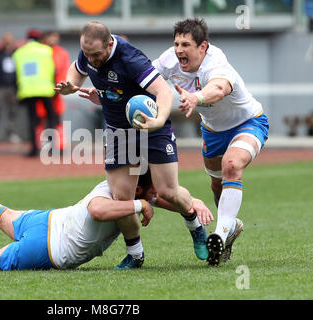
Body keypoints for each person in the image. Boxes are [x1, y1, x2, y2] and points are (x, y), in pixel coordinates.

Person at [54, 22, 197, 263]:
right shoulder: (89, 51)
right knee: (122, 198)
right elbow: (77, 68)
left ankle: (195, 226)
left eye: (96, 54)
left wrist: (159, 120)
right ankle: (135, 254)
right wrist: (71, 83)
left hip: (151, 126)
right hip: (119, 131)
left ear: (110, 44)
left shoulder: (131, 59)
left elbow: (163, 92)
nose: (91, 59)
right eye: (87, 53)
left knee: (167, 191)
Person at [0, 173, 213, 271]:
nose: (157, 194)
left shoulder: (122, 184)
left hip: (49, 219)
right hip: (49, 247)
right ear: (141, 189)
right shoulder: (122, 199)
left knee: (4, 216)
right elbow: (97, 211)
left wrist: (190, 203)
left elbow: (161, 198)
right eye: (151, 192)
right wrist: (143, 203)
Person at [152, 18, 269, 266]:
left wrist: (197, 97)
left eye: (186, 44)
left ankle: (220, 233)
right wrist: (106, 95)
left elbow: (219, 88)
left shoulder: (217, 63)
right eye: (176, 43)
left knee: (231, 165)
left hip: (248, 122)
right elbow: (145, 80)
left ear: (203, 46)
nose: (179, 50)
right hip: (213, 131)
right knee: (217, 185)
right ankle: (230, 228)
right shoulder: (168, 60)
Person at [12, 29, 58, 157]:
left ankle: (33, 148)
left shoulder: (18, 53)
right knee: (50, 118)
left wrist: (17, 90)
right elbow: (53, 69)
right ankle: (50, 147)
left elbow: (15, 74)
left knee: (32, 120)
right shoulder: (47, 50)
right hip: (45, 88)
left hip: (27, 90)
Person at [41, 30, 71, 150]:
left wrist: (62, 86)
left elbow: (64, 70)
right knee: (43, 118)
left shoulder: (62, 53)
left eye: (55, 37)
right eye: (51, 37)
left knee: (57, 118)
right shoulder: (42, 51)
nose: (54, 39)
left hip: (57, 90)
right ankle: (46, 145)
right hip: (44, 90)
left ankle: (58, 145)